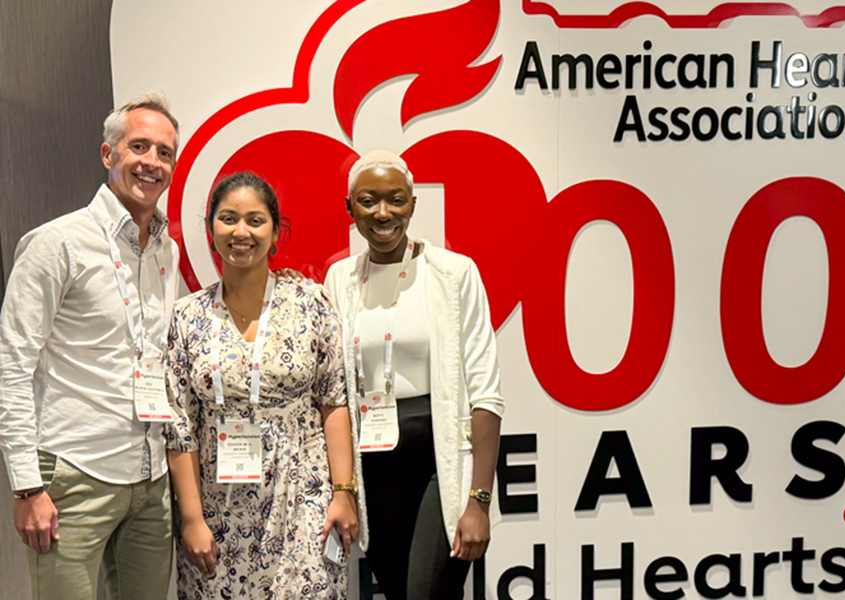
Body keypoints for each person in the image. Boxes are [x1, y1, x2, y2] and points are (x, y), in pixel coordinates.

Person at [0, 92, 180, 599]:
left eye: (164, 152)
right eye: (138, 147)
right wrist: (27, 486)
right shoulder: (57, 243)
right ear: (108, 154)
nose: (151, 163)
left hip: (150, 480)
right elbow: (13, 366)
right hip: (74, 477)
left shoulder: (167, 249)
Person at [165, 172, 357, 599]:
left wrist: (344, 492)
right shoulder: (187, 317)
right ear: (211, 230)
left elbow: (334, 401)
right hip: (219, 509)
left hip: (304, 498)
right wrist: (192, 518)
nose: (241, 232)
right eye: (229, 219)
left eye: (255, 220)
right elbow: (180, 426)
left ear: (275, 231)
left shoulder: (310, 302)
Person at [324, 151, 503, 600]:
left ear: (413, 205)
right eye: (368, 201)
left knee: (426, 592)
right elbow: (333, 390)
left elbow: (486, 393)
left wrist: (480, 500)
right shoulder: (338, 279)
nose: (382, 213)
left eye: (395, 200)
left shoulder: (454, 273)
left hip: (438, 464)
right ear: (350, 209)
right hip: (375, 467)